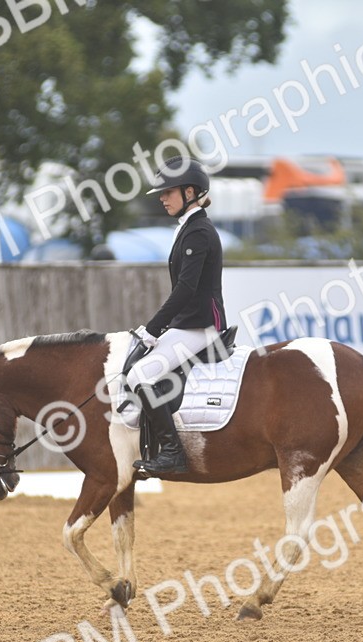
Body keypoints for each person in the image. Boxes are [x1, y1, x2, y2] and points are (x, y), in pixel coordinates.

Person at [127, 156, 227, 475]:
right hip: (188, 322)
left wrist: (152, 329)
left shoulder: (198, 232)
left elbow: (185, 289)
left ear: (189, 192)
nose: (161, 197)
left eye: (168, 191)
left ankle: (172, 453)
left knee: (139, 376)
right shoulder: (188, 228)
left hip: (199, 325)